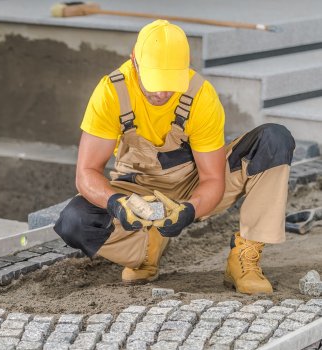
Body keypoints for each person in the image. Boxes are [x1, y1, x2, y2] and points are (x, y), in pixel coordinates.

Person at [54, 19, 295, 295]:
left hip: (193, 186)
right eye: (155, 82)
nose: (161, 92)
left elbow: (213, 178)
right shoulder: (111, 92)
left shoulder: (201, 95)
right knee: (74, 221)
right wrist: (118, 204)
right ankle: (145, 251)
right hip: (137, 189)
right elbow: (86, 173)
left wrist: (188, 210)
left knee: (274, 139)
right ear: (135, 62)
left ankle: (244, 258)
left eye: (170, 83)